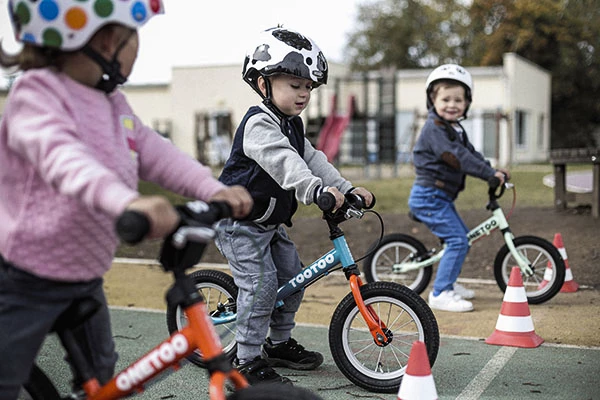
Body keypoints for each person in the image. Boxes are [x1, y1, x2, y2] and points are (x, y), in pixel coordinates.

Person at [0, 1, 252, 398]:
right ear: (103, 38)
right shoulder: (36, 95)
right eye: (133, 35)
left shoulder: (111, 101)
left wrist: (213, 189)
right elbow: (64, 160)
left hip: (84, 275)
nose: (137, 46)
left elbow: (154, 152)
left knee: (102, 377)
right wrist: (125, 201)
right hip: (25, 278)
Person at [214, 27, 373, 385]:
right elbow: (285, 162)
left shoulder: (292, 124)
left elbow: (313, 159)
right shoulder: (259, 124)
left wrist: (346, 189)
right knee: (262, 285)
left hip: (268, 224)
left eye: (308, 87)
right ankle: (246, 360)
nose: (303, 93)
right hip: (238, 224)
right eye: (293, 84)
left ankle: (278, 344)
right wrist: (314, 191)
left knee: (293, 280)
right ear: (262, 83)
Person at [408, 64, 509, 313]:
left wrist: (492, 170)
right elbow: (456, 157)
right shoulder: (435, 129)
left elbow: (470, 153)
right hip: (429, 196)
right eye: (446, 99)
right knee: (458, 240)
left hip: (439, 197)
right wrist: (487, 175)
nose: (452, 104)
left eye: (458, 100)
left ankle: (449, 282)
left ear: (467, 103)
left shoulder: (454, 128)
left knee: (463, 238)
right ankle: (441, 292)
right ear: (433, 100)